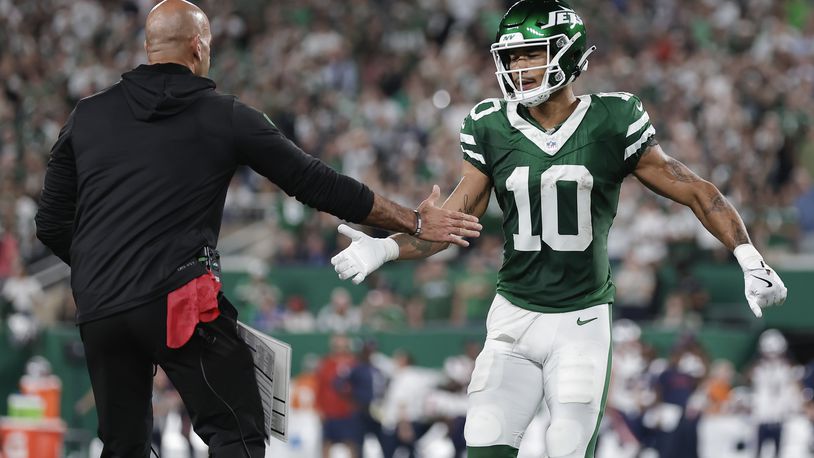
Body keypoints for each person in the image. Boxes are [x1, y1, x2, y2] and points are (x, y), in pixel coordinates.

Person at [329, 1, 788, 457]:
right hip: (514, 314)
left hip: (581, 321)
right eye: (512, 56)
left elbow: (697, 191)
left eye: (532, 53)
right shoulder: (491, 126)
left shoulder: (613, 119)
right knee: (485, 438)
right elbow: (448, 224)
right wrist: (385, 250)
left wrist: (750, 258)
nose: (520, 66)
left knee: (567, 444)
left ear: (568, 54)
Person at [33, 1, 481, 456]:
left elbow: (50, 223)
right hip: (177, 302)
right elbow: (314, 182)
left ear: (148, 47)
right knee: (237, 434)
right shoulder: (222, 114)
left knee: (122, 446)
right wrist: (415, 220)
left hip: (100, 307)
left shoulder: (86, 115)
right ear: (199, 46)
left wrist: (109, 268)